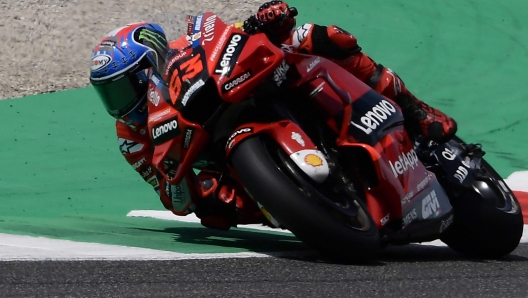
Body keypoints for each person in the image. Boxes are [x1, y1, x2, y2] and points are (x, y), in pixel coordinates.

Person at [89, 22, 263, 231]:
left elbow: (226, 32)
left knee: (301, 37)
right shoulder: (130, 138)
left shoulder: (185, 45)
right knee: (213, 206)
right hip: (219, 156)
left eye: (123, 89)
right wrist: (170, 172)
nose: (119, 103)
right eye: (110, 94)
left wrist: (253, 23)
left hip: (237, 94)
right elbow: (176, 203)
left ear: (148, 67)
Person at [243, 1, 457, 143]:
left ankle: (419, 112)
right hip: (305, 104)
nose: (277, 26)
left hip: (350, 92)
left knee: (378, 77)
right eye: (271, 23)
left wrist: (320, 40)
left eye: (280, 21)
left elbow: (348, 42)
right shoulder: (263, 43)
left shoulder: (304, 36)